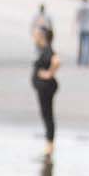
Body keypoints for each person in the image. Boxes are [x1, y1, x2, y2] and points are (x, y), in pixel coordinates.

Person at [32, 27, 61, 157]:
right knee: (46, 115)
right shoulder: (43, 50)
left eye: (37, 35)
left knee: (48, 115)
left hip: (46, 88)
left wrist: (49, 74)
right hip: (43, 88)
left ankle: (50, 145)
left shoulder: (48, 50)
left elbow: (57, 61)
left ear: (43, 37)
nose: (34, 38)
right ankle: (49, 144)